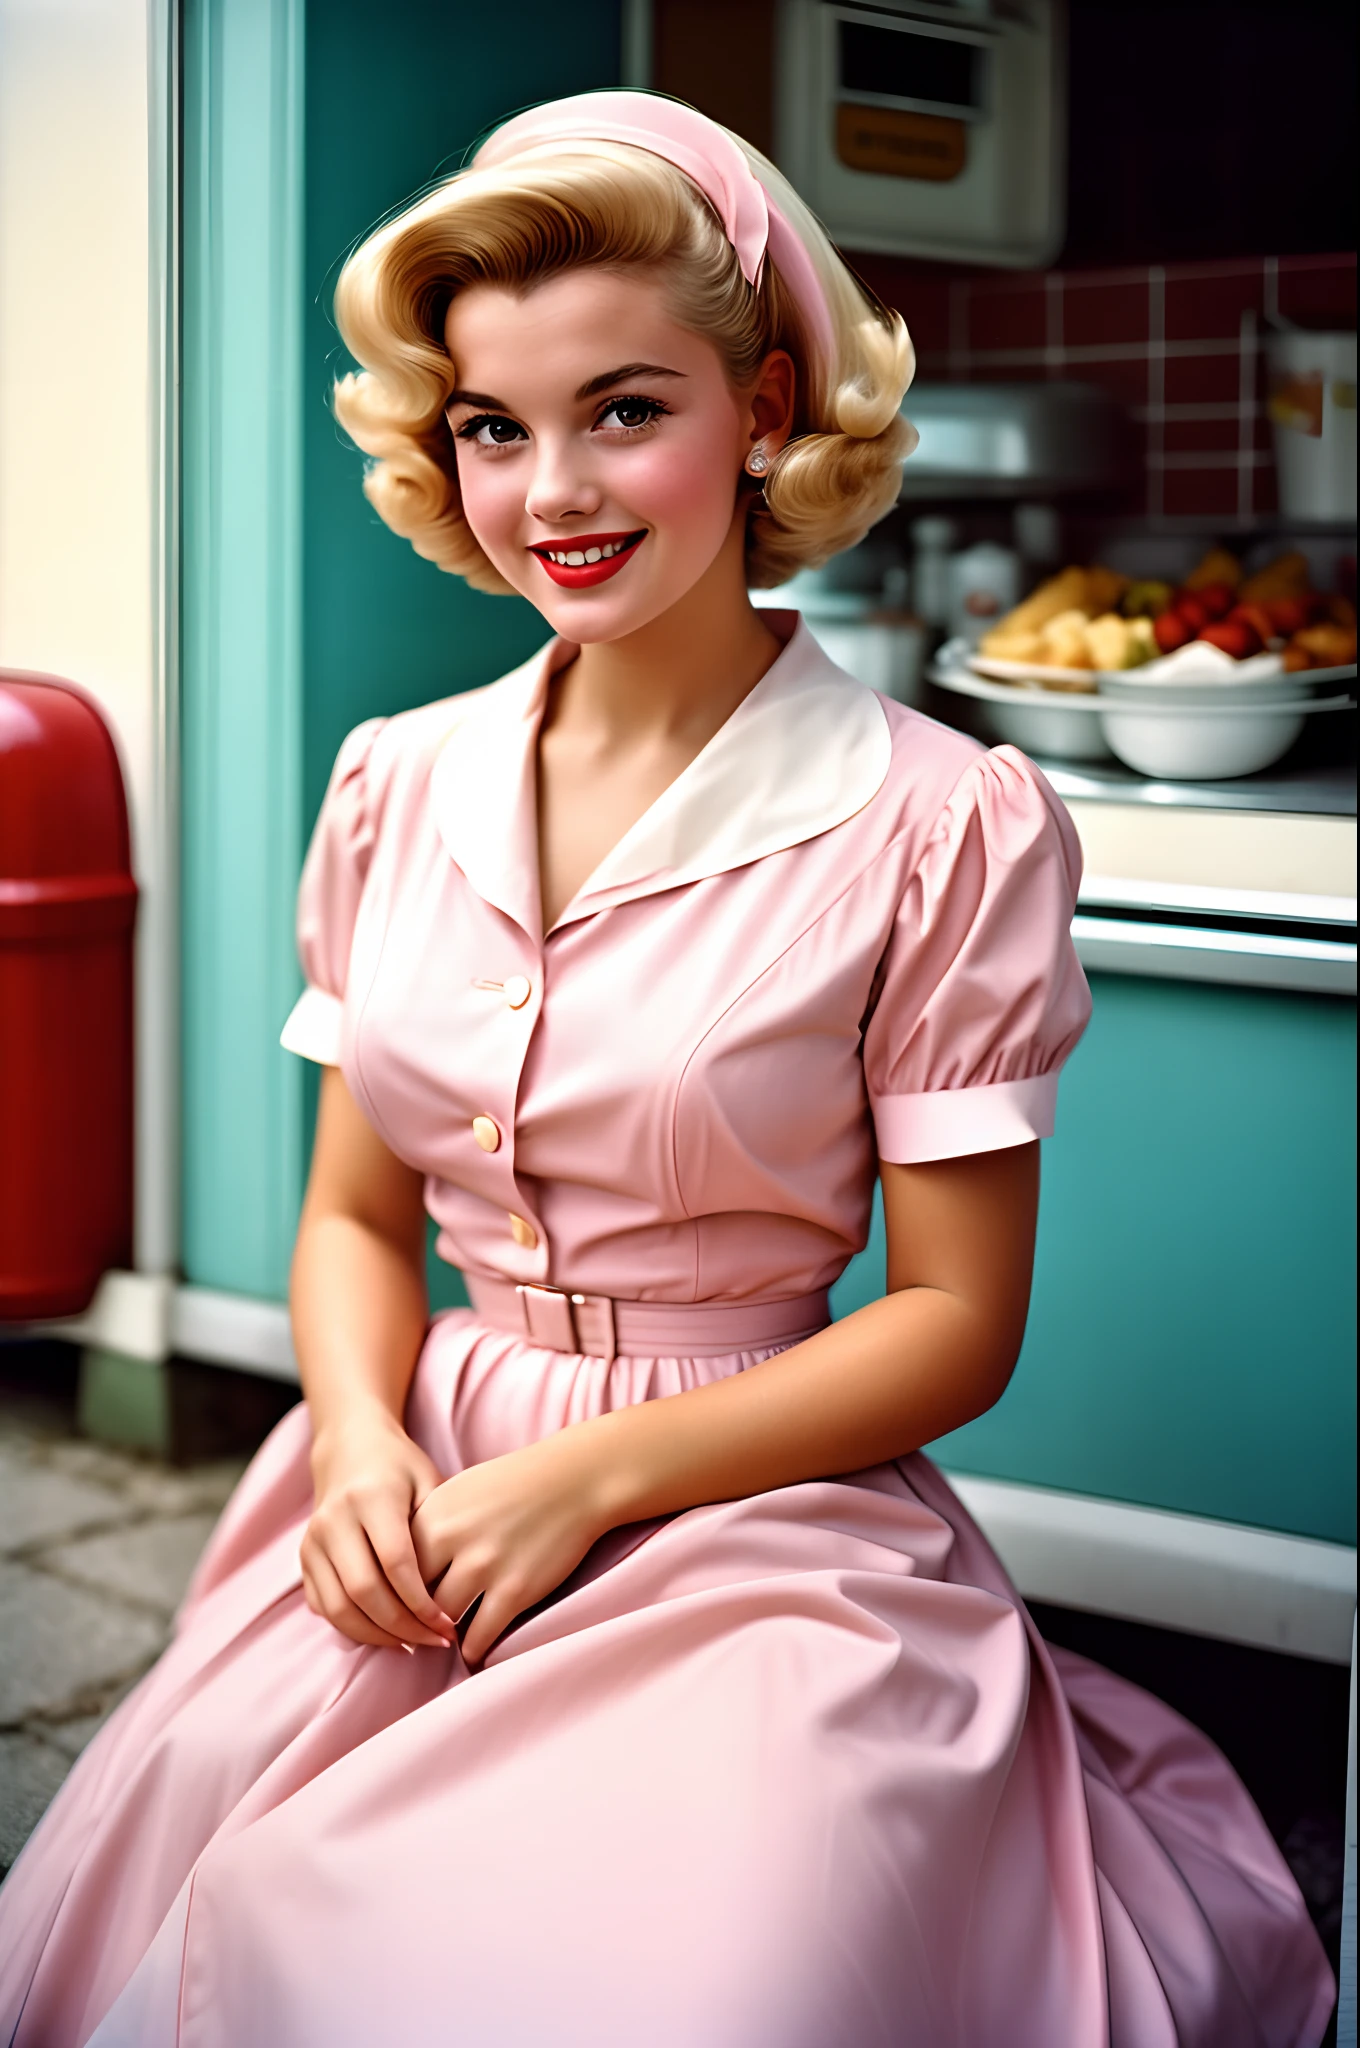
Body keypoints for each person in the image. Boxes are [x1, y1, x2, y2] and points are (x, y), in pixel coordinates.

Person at [0, 91, 1333, 2048]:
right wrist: (360, 1442)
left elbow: (957, 1321)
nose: (552, 488)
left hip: (757, 1506)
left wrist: (589, 1479)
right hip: (412, 1484)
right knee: (269, 1916)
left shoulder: (937, 821)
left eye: (624, 408)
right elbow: (356, 1218)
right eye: (490, 425)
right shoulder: (392, 780)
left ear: (765, 402)